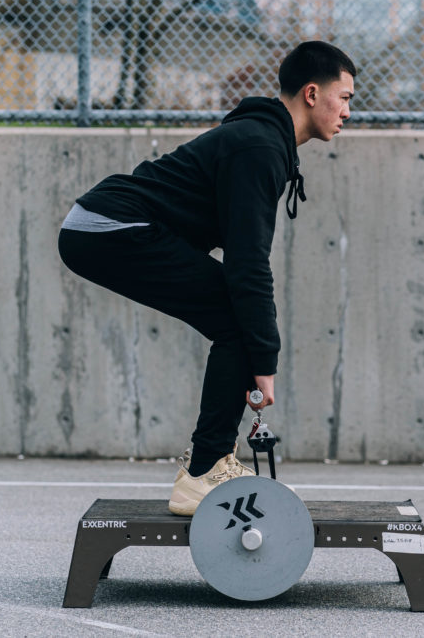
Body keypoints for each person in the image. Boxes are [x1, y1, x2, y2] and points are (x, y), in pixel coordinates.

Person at [57, 40, 356, 515]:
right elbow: (248, 262)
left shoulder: (263, 140)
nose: (347, 112)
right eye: (345, 98)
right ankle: (204, 470)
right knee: (236, 319)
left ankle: (209, 462)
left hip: (101, 225)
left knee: (233, 317)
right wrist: (265, 359)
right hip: (109, 226)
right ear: (313, 93)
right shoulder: (259, 147)